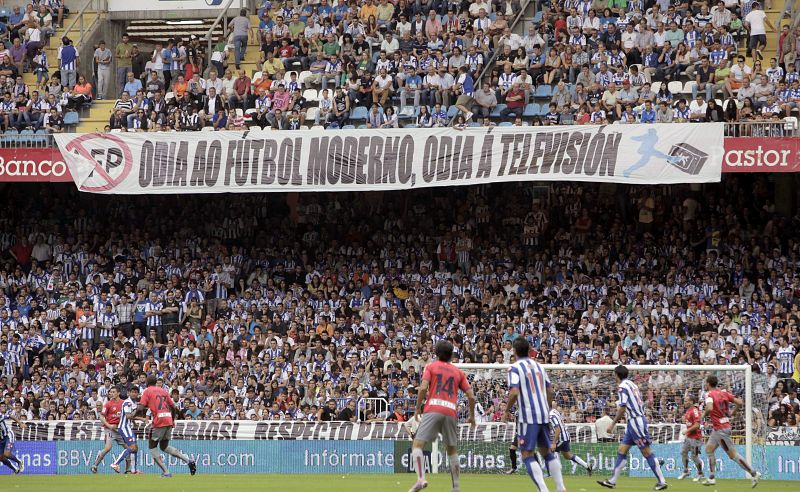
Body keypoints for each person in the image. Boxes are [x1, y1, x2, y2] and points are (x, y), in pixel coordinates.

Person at [408, 340, 476, 492]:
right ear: (451, 354)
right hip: (451, 411)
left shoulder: (430, 367)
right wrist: (472, 416)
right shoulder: (459, 372)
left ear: (436, 353)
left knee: (418, 444)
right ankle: (456, 488)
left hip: (433, 408)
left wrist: (418, 408)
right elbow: (471, 397)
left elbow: (423, 388)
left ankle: (420, 479)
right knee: (452, 451)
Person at [502, 338, 565, 492]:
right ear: (529, 350)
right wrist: (548, 408)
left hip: (528, 416)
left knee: (526, 454)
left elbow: (514, 392)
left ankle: (543, 489)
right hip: (544, 413)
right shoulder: (539, 366)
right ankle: (560, 487)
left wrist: (506, 411)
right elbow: (550, 390)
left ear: (515, 351)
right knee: (546, 452)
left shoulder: (514, 368)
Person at [598, 365, 667, 490]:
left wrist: (612, 423)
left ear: (616, 375)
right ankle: (612, 481)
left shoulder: (622, 387)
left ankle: (662, 481)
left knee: (646, 451)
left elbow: (623, 407)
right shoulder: (632, 384)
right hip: (633, 422)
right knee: (622, 450)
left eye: (614, 374)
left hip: (636, 421)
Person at [702, 375, 760, 487]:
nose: (705, 385)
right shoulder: (724, 393)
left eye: (706, 383)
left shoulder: (709, 394)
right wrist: (733, 412)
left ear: (708, 383)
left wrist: (702, 416)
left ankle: (754, 473)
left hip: (720, 429)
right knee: (709, 449)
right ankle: (711, 478)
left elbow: (709, 408)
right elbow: (740, 402)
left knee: (733, 455)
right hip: (722, 427)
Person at [136, 375, 197, 477]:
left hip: (159, 420)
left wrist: (133, 415)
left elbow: (140, 407)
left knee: (152, 447)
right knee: (164, 446)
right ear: (156, 382)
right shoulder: (163, 391)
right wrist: (172, 420)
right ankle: (188, 460)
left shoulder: (147, 391)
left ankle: (166, 472)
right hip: (168, 419)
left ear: (147, 382)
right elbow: (174, 407)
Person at [550, 405, 593, 475]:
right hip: (566, 435)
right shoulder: (554, 411)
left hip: (561, 437)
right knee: (568, 456)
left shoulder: (551, 416)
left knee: (550, 451)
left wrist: (554, 443)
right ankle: (587, 466)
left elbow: (558, 430)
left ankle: (555, 473)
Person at [677, 394, 704, 481]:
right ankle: (686, 471)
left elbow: (697, 425)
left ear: (691, 402)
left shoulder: (694, 411)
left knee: (694, 456)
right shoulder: (688, 411)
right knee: (683, 452)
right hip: (689, 438)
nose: (684, 402)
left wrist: (686, 431)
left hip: (695, 438)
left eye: (686, 401)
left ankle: (700, 473)